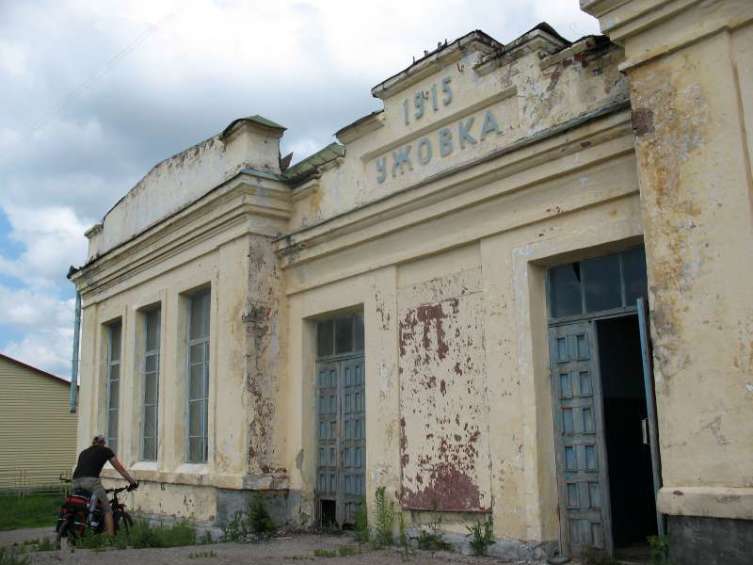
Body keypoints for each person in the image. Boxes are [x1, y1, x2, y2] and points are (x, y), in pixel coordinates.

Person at [72, 435, 138, 535]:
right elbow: (119, 468)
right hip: (91, 482)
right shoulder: (105, 450)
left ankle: (82, 528)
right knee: (107, 508)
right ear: (103, 443)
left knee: (83, 505)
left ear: (93, 443)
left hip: (75, 481)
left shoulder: (84, 452)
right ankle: (110, 536)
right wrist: (132, 482)